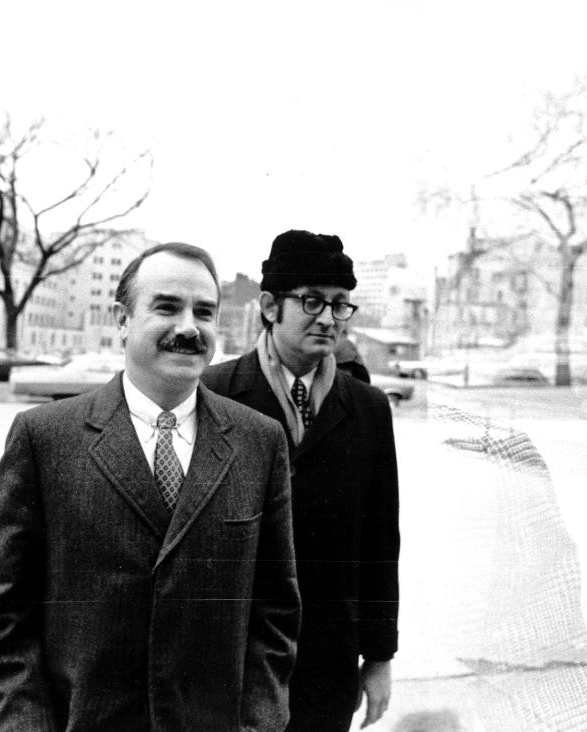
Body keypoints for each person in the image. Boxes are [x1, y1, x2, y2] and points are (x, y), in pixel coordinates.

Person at [0, 242, 301, 731]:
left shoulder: (258, 441)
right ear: (122, 319)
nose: (189, 327)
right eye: (167, 306)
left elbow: (275, 613)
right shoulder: (46, 438)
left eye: (204, 312)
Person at [202, 230, 400, 731]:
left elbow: (380, 541)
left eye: (340, 305)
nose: (329, 318)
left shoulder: (368, 409)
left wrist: (379, 656)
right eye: (312, 301)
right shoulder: (214, 393)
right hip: (229, 657)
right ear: (270, 306)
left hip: (328, 659)